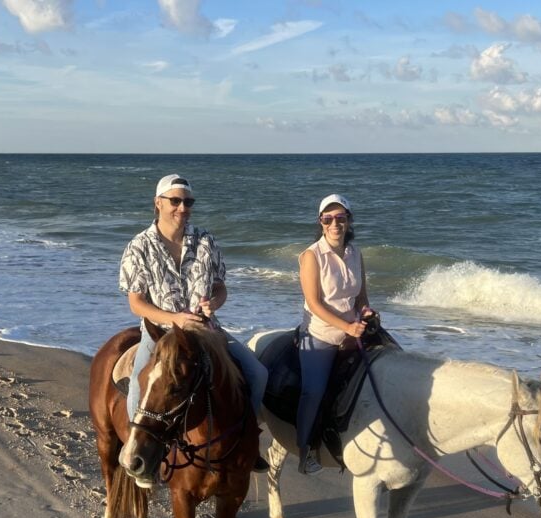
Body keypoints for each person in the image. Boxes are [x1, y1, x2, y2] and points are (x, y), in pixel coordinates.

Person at [118, 173, 269, 471]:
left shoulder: (205, 241)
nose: (182, 207)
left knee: (257, 374)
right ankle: (135, 451)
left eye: (188, 202)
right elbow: (136, 302)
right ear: (158, 203)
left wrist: (213, 303)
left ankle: (245, 441)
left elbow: (220, 286)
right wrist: (173, 318)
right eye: (175, 201)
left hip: (205, 330)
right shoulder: (139, 246)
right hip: (161, 333)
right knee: (138, 384)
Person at [295, 194, 374, 475]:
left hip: (353, 331)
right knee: (314, 391)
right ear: (321, 222)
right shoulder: (311, 256)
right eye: (328, 219)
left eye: (340, 218)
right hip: (321, 335)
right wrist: (346, 327)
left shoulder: (356, 253)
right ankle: (305, 451)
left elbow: (361, 296)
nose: (334, 224)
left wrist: (365, 312)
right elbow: (314, 303)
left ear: (349, 221)